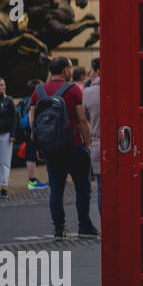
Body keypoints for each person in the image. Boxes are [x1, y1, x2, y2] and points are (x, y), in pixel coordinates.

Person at [30, 56, 96, 239]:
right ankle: (84, 226)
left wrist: (39, 143)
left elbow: (32, 118)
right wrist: (87, 142)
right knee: (82, 188)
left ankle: (59, 229)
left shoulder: (39, 90)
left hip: (51, 149)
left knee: (56, 190)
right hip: (74, 145)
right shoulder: (73, 89)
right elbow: (82, 118)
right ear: (65, 70)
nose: (71, 70)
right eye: (70, 67)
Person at [18, 78, 46, 190]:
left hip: (26, 132)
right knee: (33, 156)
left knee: (30, 155)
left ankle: (32, 180)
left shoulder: (23, 101)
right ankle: (33, 181)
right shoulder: (37, 101)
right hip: (35, 131)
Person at [82, 58, 101, 211]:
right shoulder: (120, 87)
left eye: (92, 70)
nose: (90, 73)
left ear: (97, 71)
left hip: (97, 144)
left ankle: (105, 228)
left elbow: (85, 118)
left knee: (102, 188)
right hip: (122, 143)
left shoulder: (87, 93)